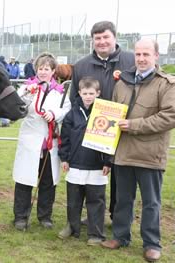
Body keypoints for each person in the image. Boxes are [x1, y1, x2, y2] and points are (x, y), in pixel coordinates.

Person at [101, 39, 175, 262]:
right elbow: (112, 113)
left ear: (156, 56)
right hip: (123, 153)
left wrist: (134, 126)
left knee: (151, 202)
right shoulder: (122, 82)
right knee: (123, 199)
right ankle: (120, 236)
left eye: (146, 54)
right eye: (138, 54)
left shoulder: (167, 84)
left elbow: (169, 116)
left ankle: (152, 243)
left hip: (150, 155)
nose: (141, 58)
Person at [70, 21, 135, 221]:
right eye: (97, 38)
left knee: (122, 177)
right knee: (94, 174)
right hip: (94, 131)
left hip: (124, 130)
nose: (102, 41)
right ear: (92, 41)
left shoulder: (131, 61)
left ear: (115, 37)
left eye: (106, 37)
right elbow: (74, 98)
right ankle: (92, 216)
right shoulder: (81, 65)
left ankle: (119, 218)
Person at [12, 52, 71, 231]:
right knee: (24, 180)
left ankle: (45, 216)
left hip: (49, 143)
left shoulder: (60, 92)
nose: (43, 72)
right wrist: (28, 95)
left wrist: (54, 115)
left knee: (48, 182)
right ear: (36, 69)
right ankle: (21, 216)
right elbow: (17, 106)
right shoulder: (26, 87)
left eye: (47, 69)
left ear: (53, 71)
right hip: (30, 140)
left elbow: (66, 109)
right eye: (40, 68)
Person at [58, 77, 110, 245]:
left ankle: (95, 233)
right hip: (75, 164)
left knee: (96, 201)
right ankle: (72, 227)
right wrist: (64, 158)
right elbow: (64, 139)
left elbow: (111, 140)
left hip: (96, 165)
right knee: (74, 199)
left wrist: (107, 162)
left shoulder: (105, 114)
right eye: (85, 93)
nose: (88, 96)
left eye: (91, 93)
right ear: (79, 93)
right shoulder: (71, 114)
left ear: (98, 93)